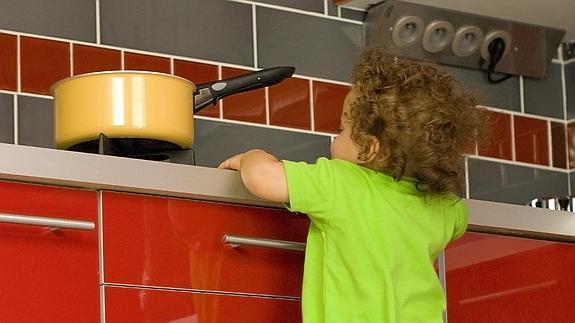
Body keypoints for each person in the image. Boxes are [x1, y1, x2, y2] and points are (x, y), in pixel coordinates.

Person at [218, 48, 488, 323]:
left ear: (368, 150)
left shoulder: (341, 182)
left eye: (341, 130)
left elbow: (262, 178)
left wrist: (250, 156)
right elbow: (458, 221)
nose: (334, 138)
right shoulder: (445, 206)